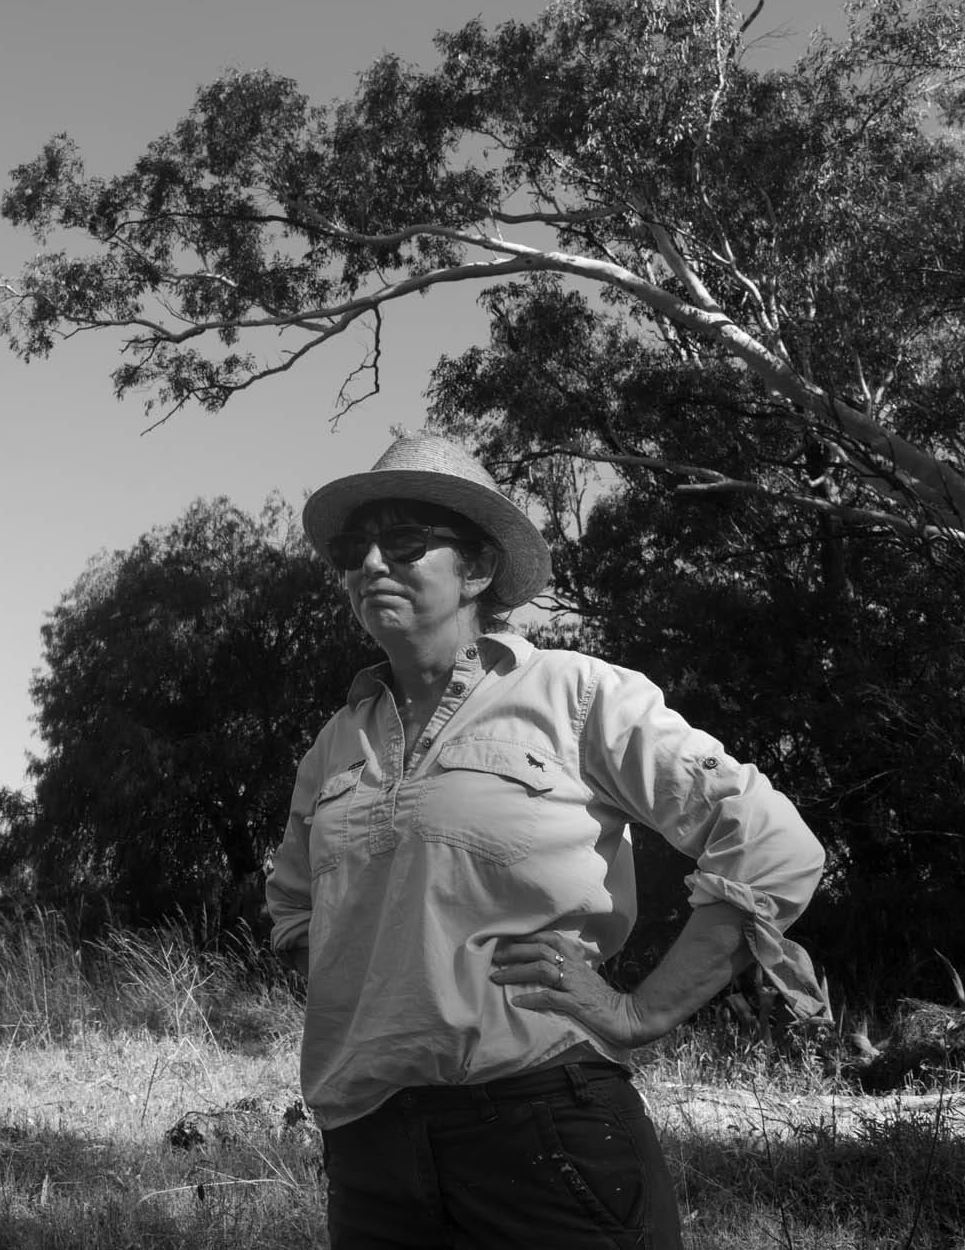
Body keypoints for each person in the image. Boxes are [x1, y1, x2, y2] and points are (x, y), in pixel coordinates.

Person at [266, 434, 826, 1250]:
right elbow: (291, 910)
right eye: (354, 549)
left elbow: (771, 842)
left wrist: (638, 1012)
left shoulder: (574, 694)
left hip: (545, 1128)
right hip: (369, 1153)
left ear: (478, 569)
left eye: (406, 542)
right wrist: (385, 984)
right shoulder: (334, 745)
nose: (371, 563)